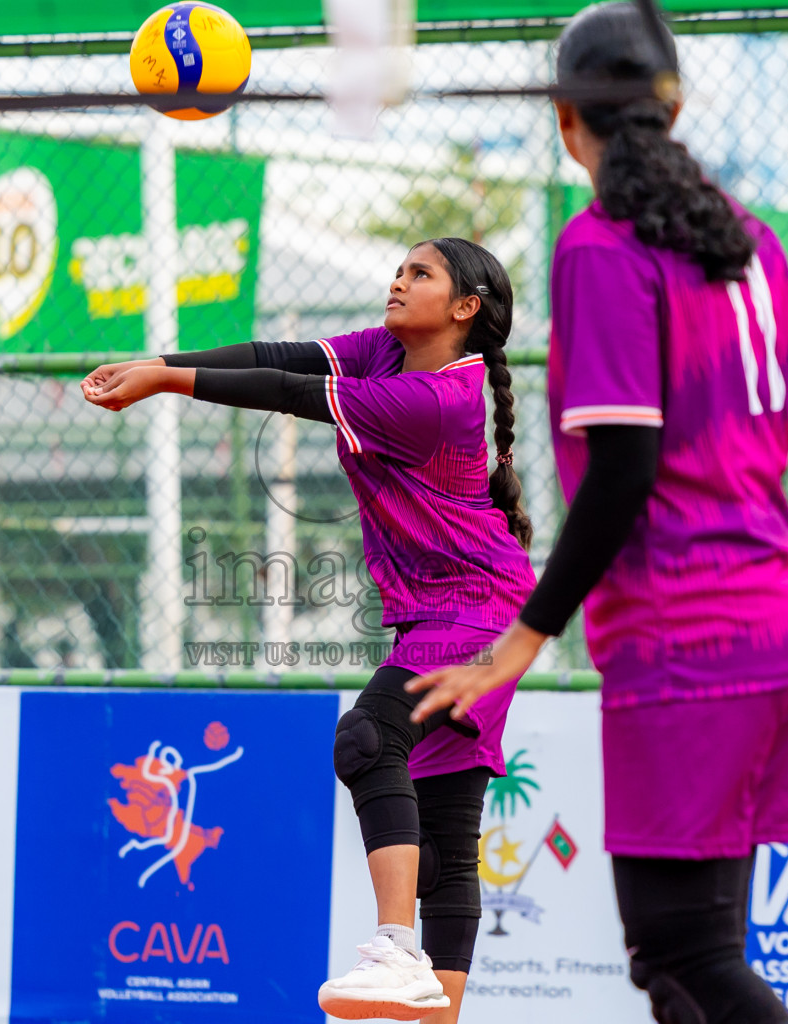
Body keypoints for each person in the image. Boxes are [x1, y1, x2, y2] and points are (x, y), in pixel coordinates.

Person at [406, 7, 788, 1024]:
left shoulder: (601, 248)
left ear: (568, 120)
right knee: (698, 951)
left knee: (681, 953)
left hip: (689, 636)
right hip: (783, 623)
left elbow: (623, 470)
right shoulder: (748, 242)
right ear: (678, 105)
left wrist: (520, 640)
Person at [82, 237, 537, 1022]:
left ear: (465, 308)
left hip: (477, 609)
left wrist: (166, 380)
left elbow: (288, 389)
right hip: (449, 607)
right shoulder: (386, 354)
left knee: (366, 738)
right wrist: (157, 361)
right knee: (445, 831)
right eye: (399, 267)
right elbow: (278, 351)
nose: (398, 280)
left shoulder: (436, 398)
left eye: (419, 274)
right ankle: (439, 1011)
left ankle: (398, 950)